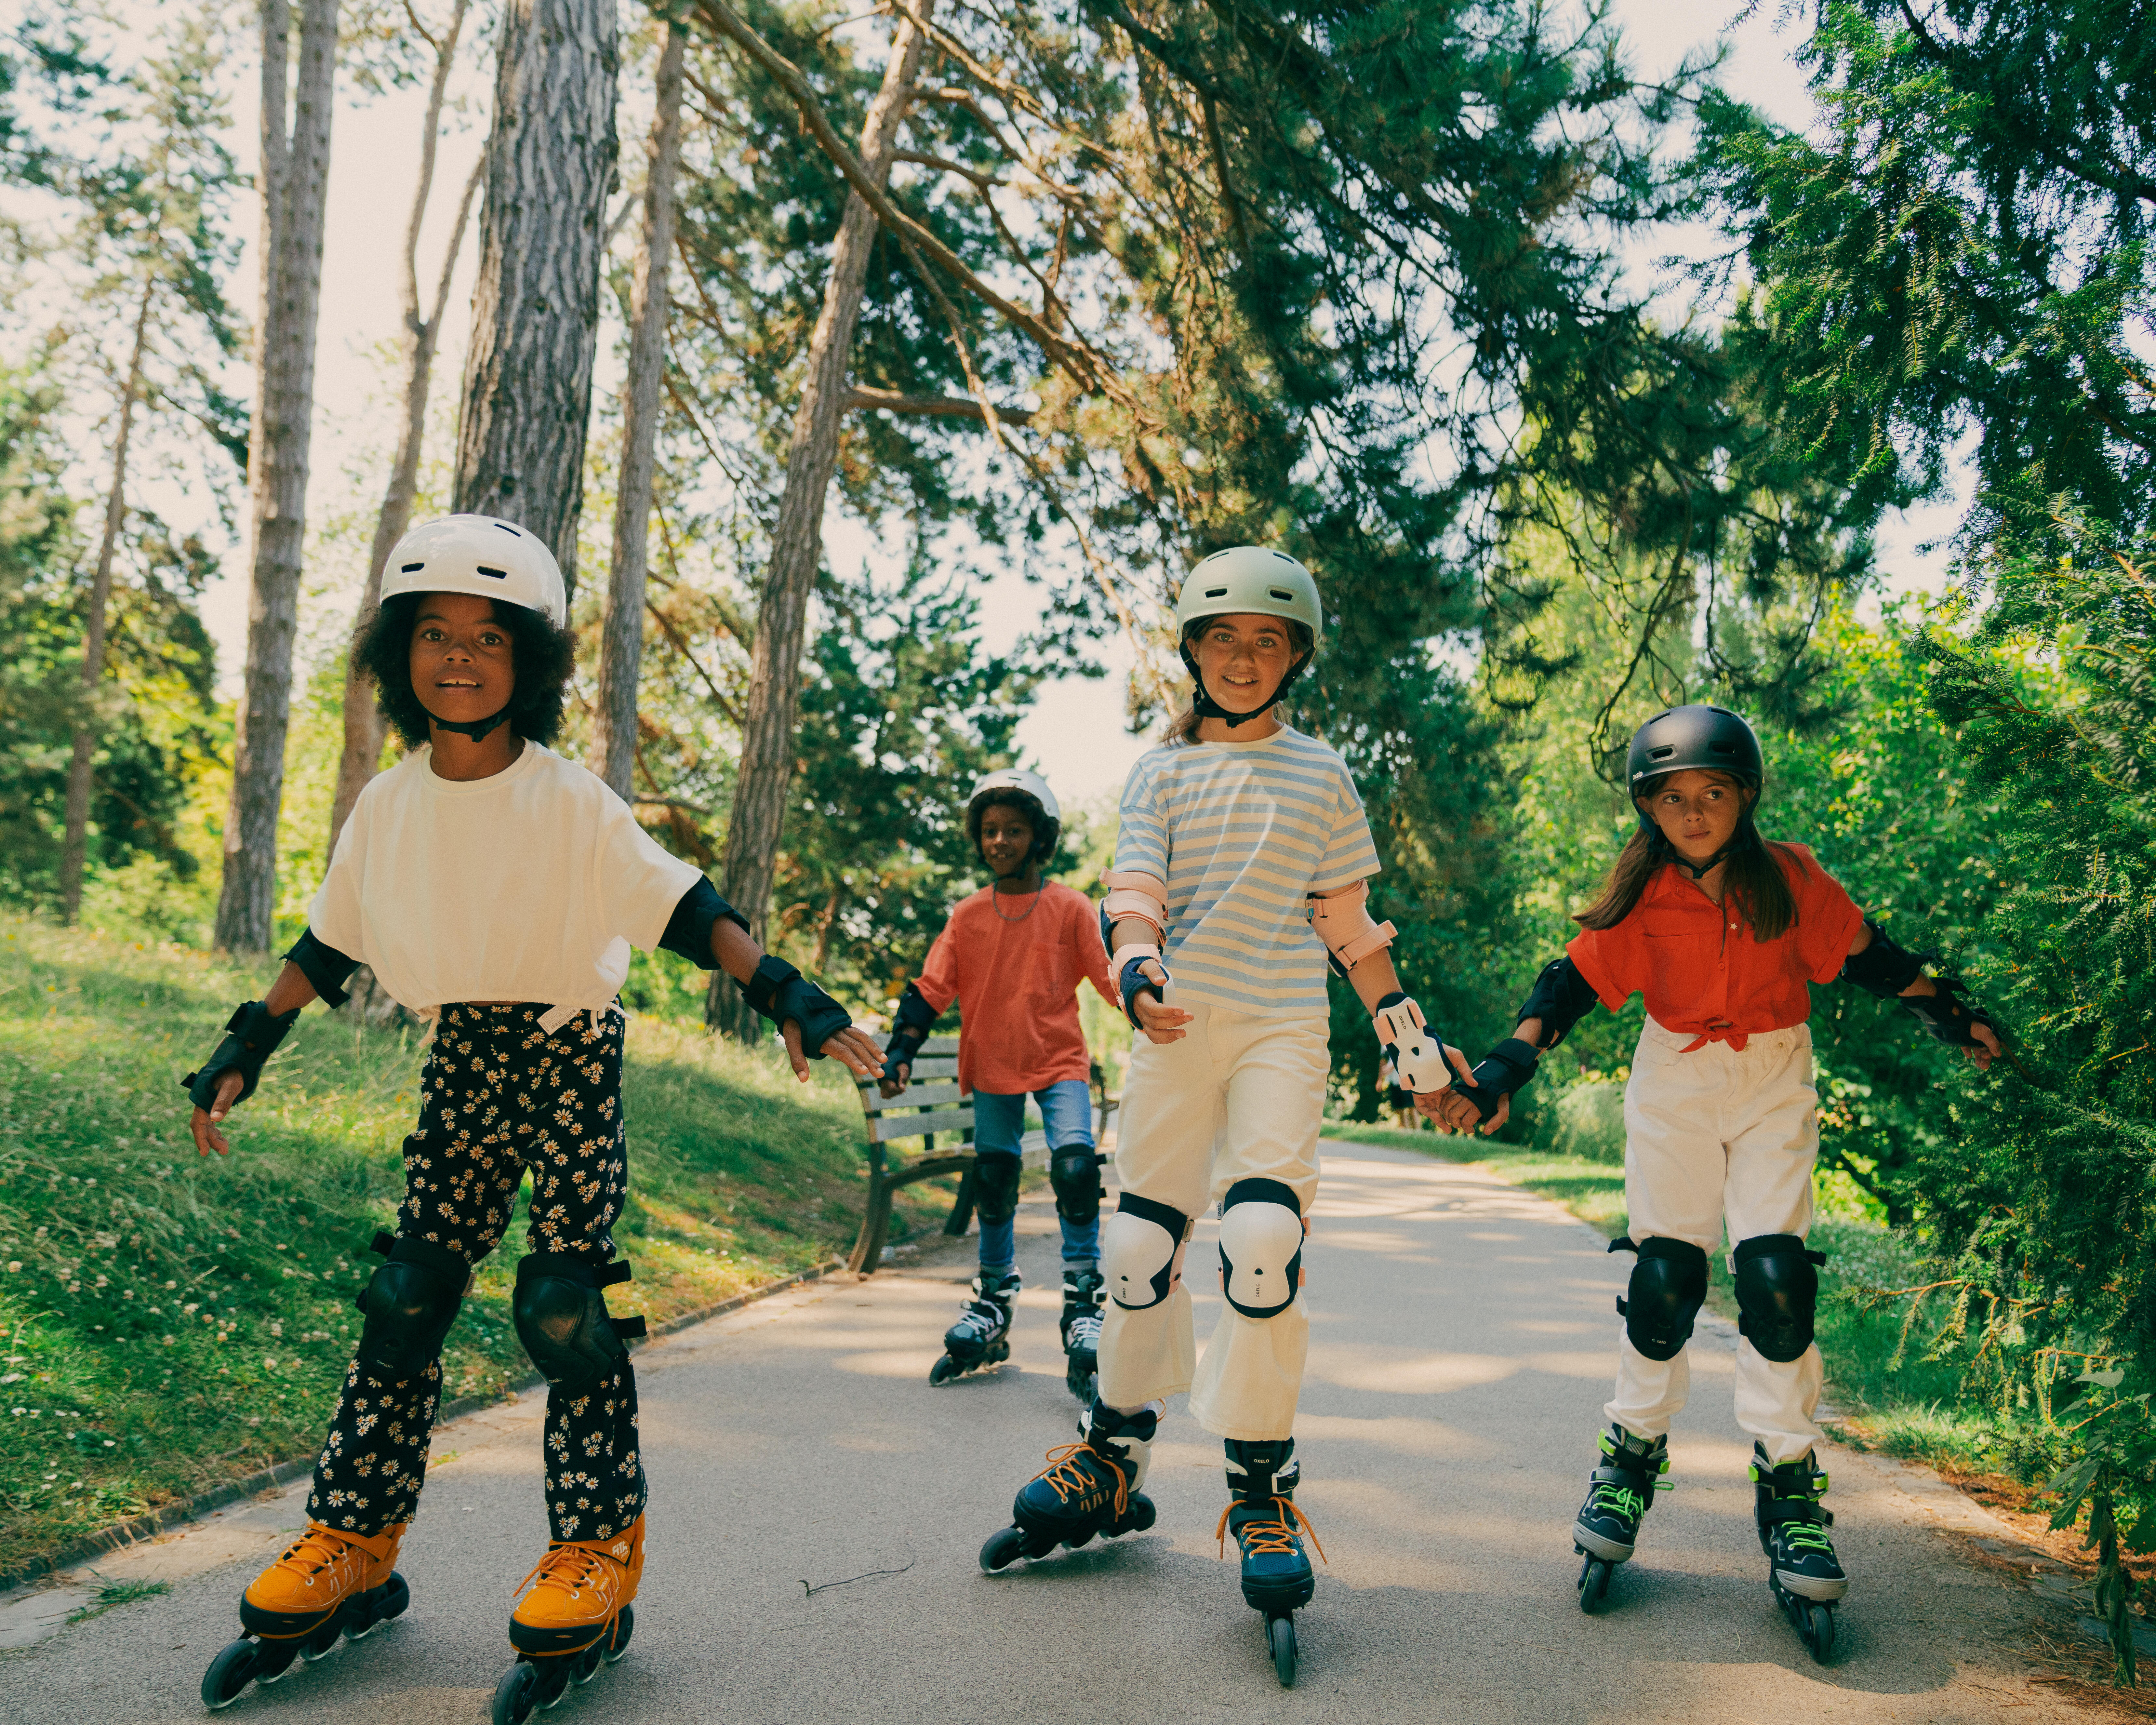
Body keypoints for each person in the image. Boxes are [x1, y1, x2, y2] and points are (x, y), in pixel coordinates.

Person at [183, 516, 884, 1715]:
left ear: (532, 664)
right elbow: (328, 940)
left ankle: (595, 1551)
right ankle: (351, 1536)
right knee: (406, 1296)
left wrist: (787, 992)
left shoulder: (570, 802)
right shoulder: (389, 808)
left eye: (488, 638)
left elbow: (684, 903)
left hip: (566, 1049)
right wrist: (248, 1042)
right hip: (463, 1051)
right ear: (400, 652)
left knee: (561, 1305)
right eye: (435, 634)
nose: (459, 656)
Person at [976, 546, 1473, 1685]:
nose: (1243, 656)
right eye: (1222, 637)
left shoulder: (1322, 774)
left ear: (1295, 655)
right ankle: (1115, 1454)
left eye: (1267, 639)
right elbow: (1136, 890)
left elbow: (1352, 928)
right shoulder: (1158, 774)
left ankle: (1261, 1487)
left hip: (1283, 1030)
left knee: (1262, 1240)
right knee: (1142, 1246)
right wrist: (1139, 966)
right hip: (1176, 1029)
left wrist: (1410, 1042)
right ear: (1193, 653)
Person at [1436, 703, 2003, 1662]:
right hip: (1673, 1083)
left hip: (1773, 1074)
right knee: (1665, 1279)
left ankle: (1786, 1481)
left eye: (1710, 793)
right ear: (1646, 808)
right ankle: (1628, 1455)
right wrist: (1499, 1072)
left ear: (1743, 796)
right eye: (1670, 798)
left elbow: (1871, 958)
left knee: (1778, 1280)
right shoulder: (1643, 894)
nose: (1691, 812)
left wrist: (1949, 1010)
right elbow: (1563, 985)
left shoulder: (1788, 878)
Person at [880, 769, 1121, 1399]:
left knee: (1074, 1166)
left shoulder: (1069, 908)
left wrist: (1155, 1008)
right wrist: (902, 1049)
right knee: (994, 1174)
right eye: (989, 831)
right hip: (992, 1066)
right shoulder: (967, 917)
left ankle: (1085, 1299)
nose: (1000, 841)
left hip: (1059, 1061)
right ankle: (992, 1300)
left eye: (1014, 830)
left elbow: (1108, 981)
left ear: (1039, 837)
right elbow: (932, 987)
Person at [1379, 1053, 1418, 1130]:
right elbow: (1383, 1059)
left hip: (1407, 1078)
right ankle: (1406, 1132)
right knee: (1400, 1108)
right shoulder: (1383, 1045)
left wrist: (1391, 1067)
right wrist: (1380, 1079)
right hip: (1394, 1081)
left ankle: (1418, 1132)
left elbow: (1405, 1055)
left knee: (1412, 1107)